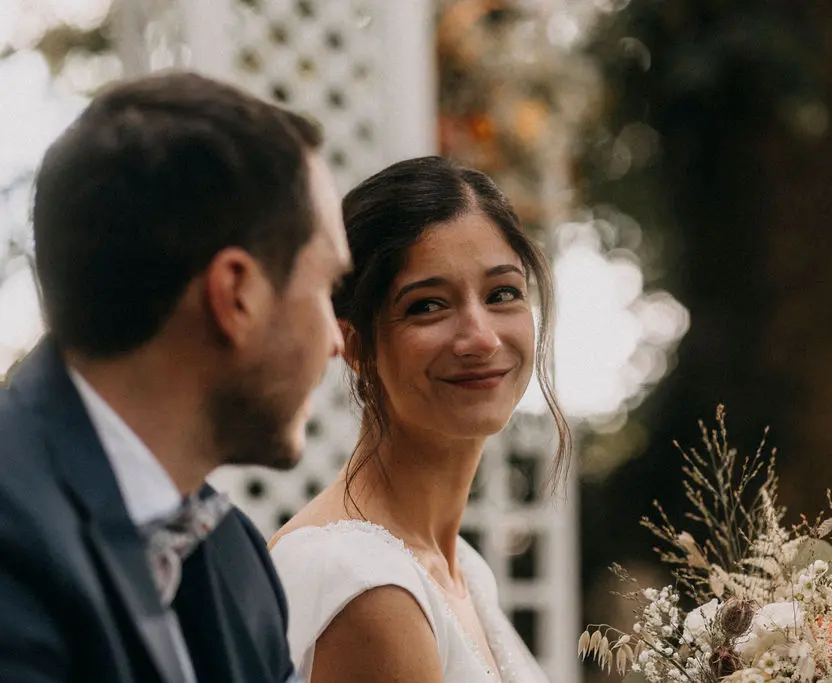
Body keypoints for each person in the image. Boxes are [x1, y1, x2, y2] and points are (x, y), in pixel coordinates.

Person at [0, 71, 351, 683]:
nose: (336, 341)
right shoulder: (15, 539)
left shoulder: (236, 557)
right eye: (325, 287)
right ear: (236, 294)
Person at [269, 156, 571, 683]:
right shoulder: (368, 588)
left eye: (502, 294)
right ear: (354, 344)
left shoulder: (464, 570)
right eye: (428, 305)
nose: (481, 339)